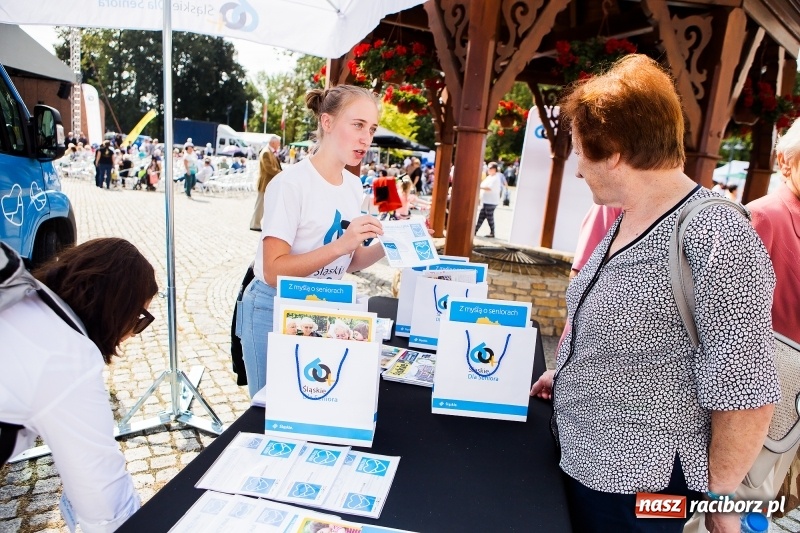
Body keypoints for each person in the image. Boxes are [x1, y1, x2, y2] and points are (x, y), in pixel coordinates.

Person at [529, 55, 779, 533]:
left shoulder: (717, 234)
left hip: (642, 489)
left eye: (581, 152)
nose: (578, 170)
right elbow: (641, 337)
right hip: (586, 460)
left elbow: (747, 392)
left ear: (614, 151)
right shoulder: (630, 214)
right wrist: (572, 374)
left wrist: (720, 498)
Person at [0, 237, 158, 532]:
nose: (133, 334)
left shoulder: (22, 298)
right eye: (139, 318)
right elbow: (105, 503)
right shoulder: (65, 357)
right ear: (117, 308)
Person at [238, 85, 385, 398]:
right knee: (269, 407)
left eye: (371, 129)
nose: (366, 138)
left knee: (311, 400)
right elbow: (274, 270)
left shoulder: (353, 185)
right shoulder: (290, 184)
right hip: (272, 306)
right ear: (327, 122)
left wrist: (390, 245)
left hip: (322, 306)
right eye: (358, 125)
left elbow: (347, 261)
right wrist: (342, 245)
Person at [745, 119, 800, 512]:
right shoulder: (764, 216)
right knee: (733, 510)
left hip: (787, 409)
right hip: (760, 407)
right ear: (785, 161)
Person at [250, 136, 282, 232]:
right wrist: (281, 173)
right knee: (260, 205)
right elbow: (269, 168)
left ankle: (257, 224)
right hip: (265, 183)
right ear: (273, 143)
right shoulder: (266, 152)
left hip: (269, 184)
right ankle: (255, 224)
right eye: (278, 143)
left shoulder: (270, 152)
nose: (279, 145)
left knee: (264, 205)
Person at [474, 162, 502, 238]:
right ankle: (475, 230)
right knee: (481, 216)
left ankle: (492, 232)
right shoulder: (489, 177)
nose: (488, 170)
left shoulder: (495, 178)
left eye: (490, 168)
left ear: (494, 169)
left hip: (491, 201)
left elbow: (489, 188)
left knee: (489, 217)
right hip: (486, 200)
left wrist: (478, 187)